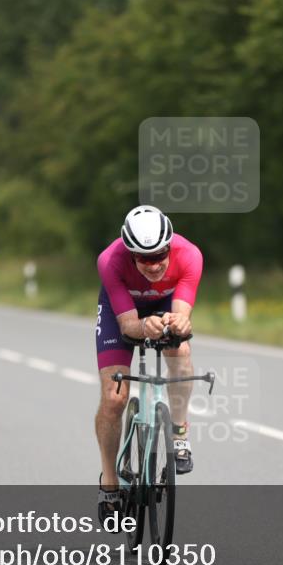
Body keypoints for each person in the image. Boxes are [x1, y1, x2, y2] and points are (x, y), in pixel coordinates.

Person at [94, 205, 203, 519]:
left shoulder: (189, 255)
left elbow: (181, 316)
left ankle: (179, 433)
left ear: (169, 245)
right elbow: (129, 326)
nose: (154, 265)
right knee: (114, 398)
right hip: (123, 312)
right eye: (144, 258)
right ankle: (109, 482)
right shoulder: (110, 261)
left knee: (180, 351)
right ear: (130, 253)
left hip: (166, 304)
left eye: (160, 255)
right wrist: (143, 327)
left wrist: (178, 325)